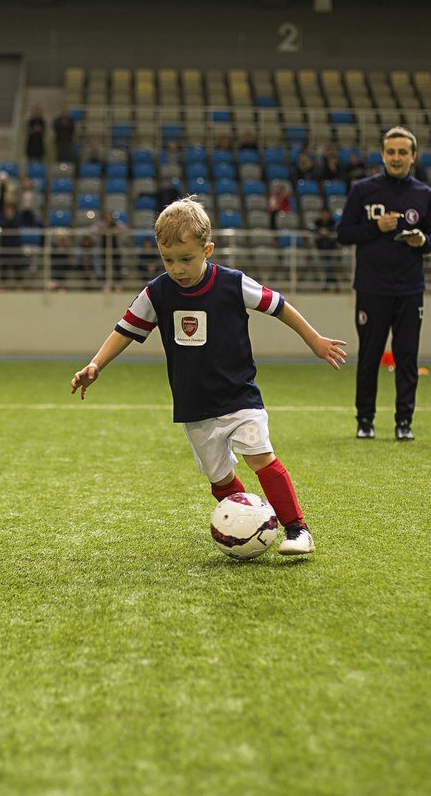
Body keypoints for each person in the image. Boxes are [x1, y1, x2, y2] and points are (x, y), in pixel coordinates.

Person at [69, 197, 348, 556]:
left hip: (239, 395)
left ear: (207, 250)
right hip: (194, 404)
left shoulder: (232, 283)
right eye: (168, 260)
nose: (178, 269)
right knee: (219, 478)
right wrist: (96, 364)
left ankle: (297, 529)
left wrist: (314, 339)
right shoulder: (156, 292)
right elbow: (126, 330)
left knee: (260, 456)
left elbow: (277, 305)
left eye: (186, 259)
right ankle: (249, 528)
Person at [339, 126, 431, 441]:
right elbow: (343, 233)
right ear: (383, 155)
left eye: (403, 152)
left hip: (410, 289)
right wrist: (375, 226)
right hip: (372, 288)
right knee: (369, 357)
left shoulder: (424, 195)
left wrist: (422, 240)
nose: (396, 158)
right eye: (391, 152)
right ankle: (365, 421)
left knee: (407, 357)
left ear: (413, 156)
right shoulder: (363, 190)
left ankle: (404, 423)